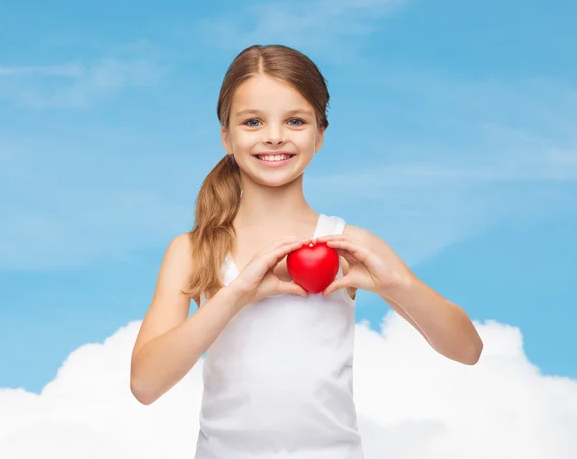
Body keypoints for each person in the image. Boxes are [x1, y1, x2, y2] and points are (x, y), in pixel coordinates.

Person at [130, 44, 483, 458]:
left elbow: (467, 350)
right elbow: (145, 384)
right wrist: (236, 295)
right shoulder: (193, 250)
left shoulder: (349, 245)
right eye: (253, 121)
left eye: (295, 120)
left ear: (320, 135)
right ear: (226, 135)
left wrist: (399, 285)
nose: (274, 135)